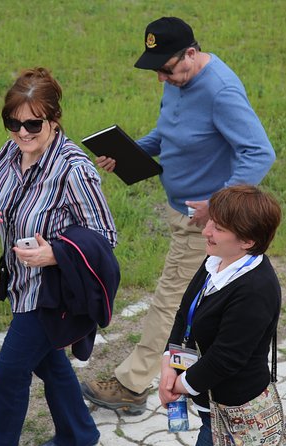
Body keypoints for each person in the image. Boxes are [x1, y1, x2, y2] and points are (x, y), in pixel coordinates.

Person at [82, 16, 276, 414]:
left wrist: (218, 205)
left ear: (190, 53)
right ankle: (201, 371)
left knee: (170, 299)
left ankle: (133, 386)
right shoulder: (178, 82)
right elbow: (167, 134)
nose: (162, 79)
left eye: (167, 70)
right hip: (183, 216)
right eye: (156, 71)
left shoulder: (220, 91)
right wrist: (130, 151)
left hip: (204, 225)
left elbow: (259, 152)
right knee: (190, 301)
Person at [0, 67, 117, 446]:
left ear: (54, 119)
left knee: (8, 377)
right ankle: (80, 434)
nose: (22, 133)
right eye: (13, 123)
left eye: (33, 124)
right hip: (19, 284)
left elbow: (106, 236)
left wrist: (56, 254)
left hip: (53, 296)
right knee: (49, 362)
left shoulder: (74, 169)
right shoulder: (11, 152)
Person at [159, 185, 286, 445]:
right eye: (211, 223)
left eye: (218, 229)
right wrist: (168, 364)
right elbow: (185, 313)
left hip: (233, 412)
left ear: (248, 241)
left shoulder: (255, 289)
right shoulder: (217, 261)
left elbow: (226, 358)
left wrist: (178, 385)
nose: (206, 231)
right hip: (208, 397)